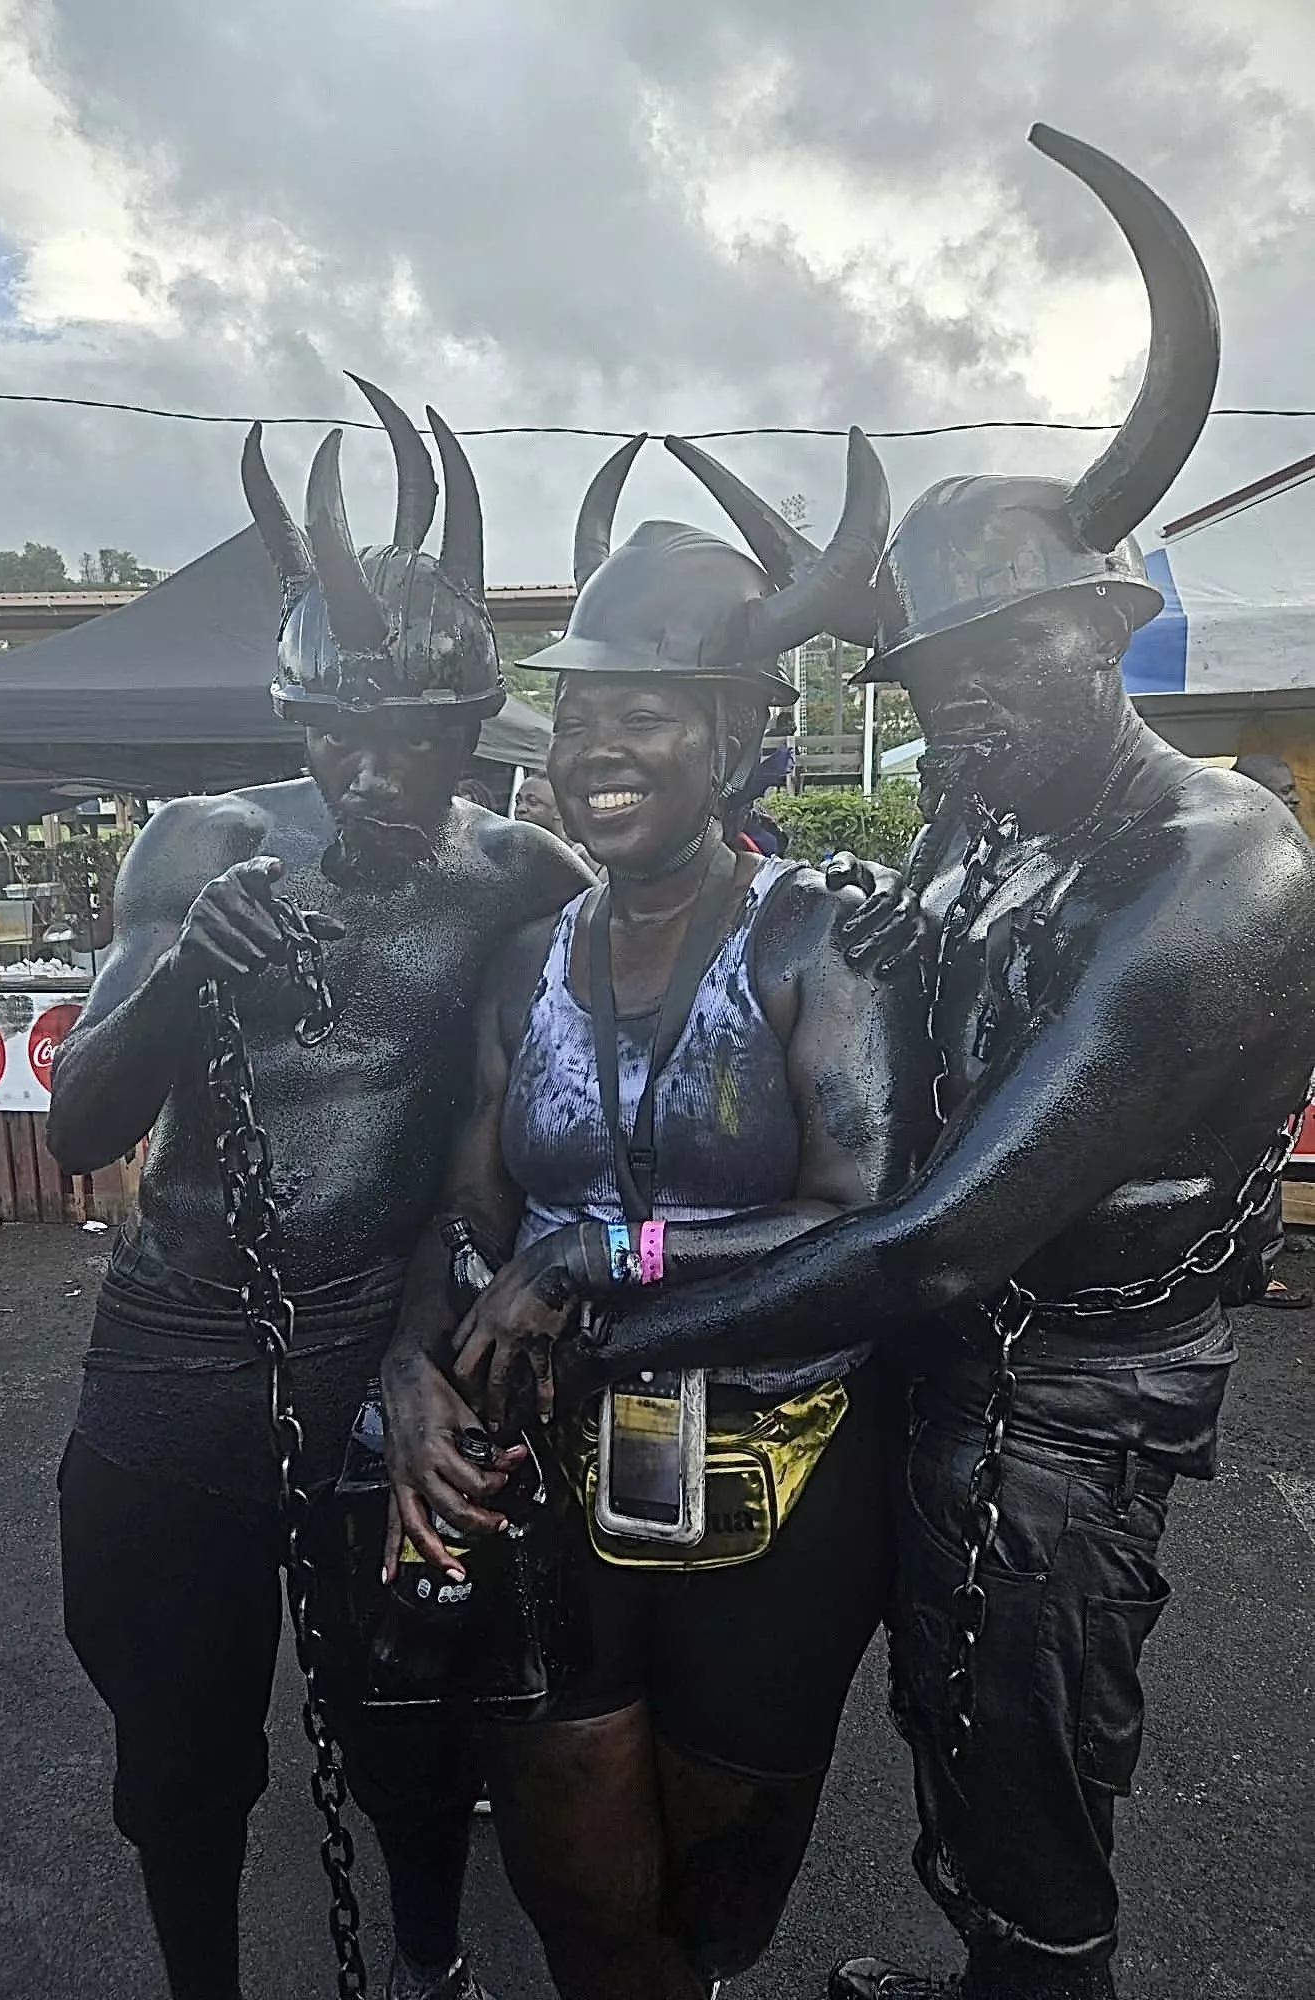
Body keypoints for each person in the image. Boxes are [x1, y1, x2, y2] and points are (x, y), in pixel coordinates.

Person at [557, 129, 1315, 2000]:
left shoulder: (1217, 870)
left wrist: (611, 1323)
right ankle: (988, 1966)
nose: (956, 713)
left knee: (1041, 1757)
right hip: (946, 1361)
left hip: (1070, 1386)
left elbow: (943, 1237)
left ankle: (1034, 1970)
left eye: (1000, 665)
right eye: (931, 683)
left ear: (1102, 632)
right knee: (950, 1725)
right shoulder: (979, 821)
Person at [47, 377, 596, 2000]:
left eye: (416, 744)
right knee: (182, 1752)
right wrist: (172, 985)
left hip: (376, 1356)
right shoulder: (199, 847)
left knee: (415, 1728)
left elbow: (636, 1017)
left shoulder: (513, 872)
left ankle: (428, 1965)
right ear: (301, 726)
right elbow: (81, 1125)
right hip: (178, 1350)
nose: (376, 776)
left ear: (463, 737)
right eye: (344, 737)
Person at [381, 429, 933, 2000]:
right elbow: (465, 1213)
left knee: (722, 1897)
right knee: (585, 1898)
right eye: (573, 722)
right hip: (549, 1474)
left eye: (642, 718)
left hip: (786, 1480)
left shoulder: (817, 942)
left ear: (741, 741)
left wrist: (603, 1250)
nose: (593, 752)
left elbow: (865, 1217)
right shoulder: (525, 961)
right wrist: (419, 1365)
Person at [512, 772, 567, 839]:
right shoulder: (506, 845)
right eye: (518, 801)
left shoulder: (573, 848)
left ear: (559, 811)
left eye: (532, 802)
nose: (519, 808)